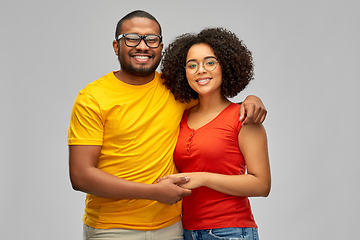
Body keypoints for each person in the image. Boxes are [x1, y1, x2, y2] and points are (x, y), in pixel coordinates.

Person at [68, 10, 267, 240]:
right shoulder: (92, 97)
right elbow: (81, 176)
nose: (142, 46)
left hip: (172, 228)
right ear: (116, 46)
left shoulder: (174, 90)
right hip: (112, 228)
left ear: (161, 47)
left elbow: (217, 102)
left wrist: (252, 100)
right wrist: (153, 192)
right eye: (132, 38)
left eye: (151, 39)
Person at [159, 27, 271, 240]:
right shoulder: (181, 117)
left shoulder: (244, 117)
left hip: (231, 231)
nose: (201, 70)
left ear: (225, 67)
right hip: (186, 231)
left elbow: (262, 185)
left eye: (210, 62)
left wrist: (202, 178)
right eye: (192, 65)